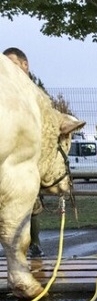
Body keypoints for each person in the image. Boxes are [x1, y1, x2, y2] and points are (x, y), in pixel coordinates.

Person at [3, 47, 45, 258]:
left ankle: (34, 244)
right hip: (9, 162)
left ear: (24, 65)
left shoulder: (33, 93)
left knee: (30, 205)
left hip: (29, 161)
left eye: (12, 63)